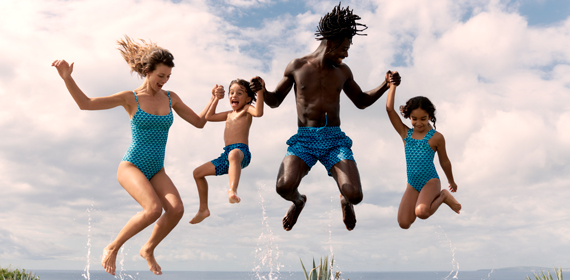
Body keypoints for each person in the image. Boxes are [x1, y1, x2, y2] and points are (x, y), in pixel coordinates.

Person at [52, 36, 222, 275]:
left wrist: (214, 98)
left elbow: (199, 122)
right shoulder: (130, 98)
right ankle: (112, 247)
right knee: (153, 209)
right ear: (147, 71)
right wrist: (67, 78)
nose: (164, 81)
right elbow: (86, 103)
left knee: (176, 210)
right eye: (160, 76)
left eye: (168, 77)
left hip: (157, 169)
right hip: (132, 166)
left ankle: (148, 249)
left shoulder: (171, 98)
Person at [250, 3, 401, 231]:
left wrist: (385, 84)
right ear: (331, 43)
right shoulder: (297, 66)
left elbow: (361, 101)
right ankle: (298, 202)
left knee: (355, 194)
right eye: (344, 48)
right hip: (305, 139)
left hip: (334, 140)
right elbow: (275, 100)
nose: (347, 53)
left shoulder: (343, 72)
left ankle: (345, 201)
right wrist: (261, 89)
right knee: (283, 186)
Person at [385, 71, 462, 229]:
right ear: (409, 117)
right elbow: (389, 110)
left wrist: (451, 181)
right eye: (414, 119)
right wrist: (392, 86)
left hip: (430, 181)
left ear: (430, 117)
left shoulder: (436, 138)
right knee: (404, 223)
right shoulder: (405, 133)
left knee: (422, 213)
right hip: (412, 184)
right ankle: (422, 202)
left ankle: (443, 196)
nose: (418, 123)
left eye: (423, 118)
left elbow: (444, 161)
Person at [189, 77, 264, 224]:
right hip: (226, 156)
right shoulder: (229, 114)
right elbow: (209, 116)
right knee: (197, 173)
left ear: (248, 98)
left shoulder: (247, 110)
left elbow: (259, 112)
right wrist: (216, 98)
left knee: (233, 154)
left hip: (241, 153)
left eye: (239, 93)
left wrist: (260, 92)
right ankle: (203, 209)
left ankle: (232, 190)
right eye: (231, 93)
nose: (234, 95)